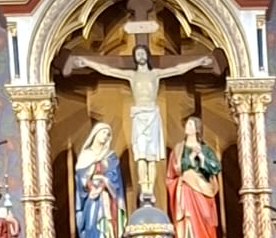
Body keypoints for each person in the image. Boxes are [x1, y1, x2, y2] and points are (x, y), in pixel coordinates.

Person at [63, 44, 217, 205]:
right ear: (135, 58)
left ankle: (150, 189)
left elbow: (178, 69)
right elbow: (108, 70)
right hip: (139, 116)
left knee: (152, 156)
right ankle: (144, 189)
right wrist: (88, 62)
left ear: (147, 56)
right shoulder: (132, 75)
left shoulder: (155, 74)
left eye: (143, 53)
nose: (141, 56)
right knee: (141, 155)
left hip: (152, 115)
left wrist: (199, 61)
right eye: (138, 54)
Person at [166, 114, 223, 238]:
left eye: (191, 124)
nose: (188, 127)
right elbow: (174, 170)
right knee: (188, 221)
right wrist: (191, 157)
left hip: (203, 191)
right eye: (187, 124)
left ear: (197, 129)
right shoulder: (179, 149)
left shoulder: (206, 149)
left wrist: (202, 158)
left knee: (205, 221)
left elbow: (216, 167)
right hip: (186, 190)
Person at [74, 122, 126, 238]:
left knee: (108, 226)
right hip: (92, 199)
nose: (106, 136)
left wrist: (103, 183)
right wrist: (90, 186)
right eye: (103, 132)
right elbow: (81, 178)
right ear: (95, 134)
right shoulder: (86, 155)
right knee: (92, 226)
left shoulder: (110, 156)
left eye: (108, 134)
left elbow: (115, 179)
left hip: (107, 198)